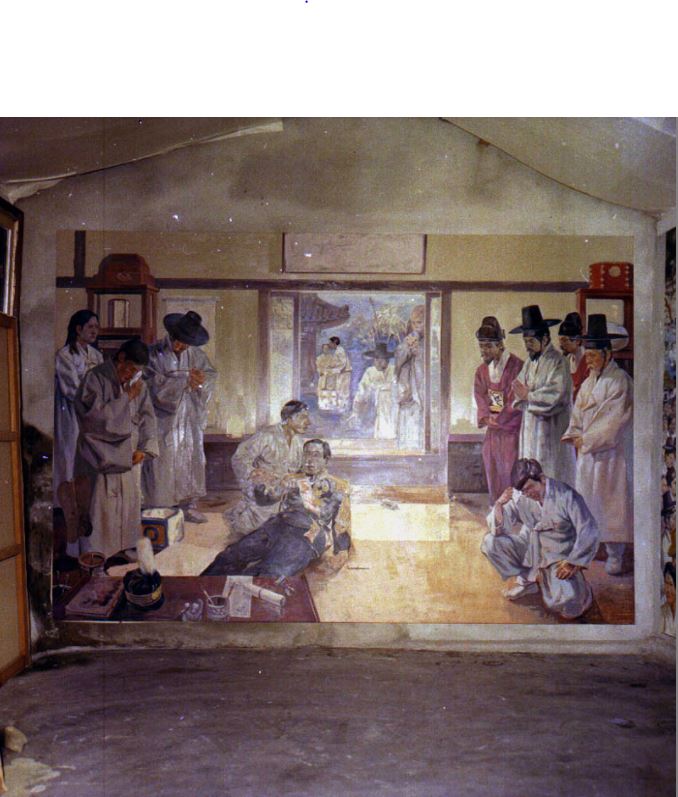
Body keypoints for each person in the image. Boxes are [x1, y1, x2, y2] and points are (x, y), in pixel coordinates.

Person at [202, 439, 351, 578]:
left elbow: (341, 522)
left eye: (316, 455)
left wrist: (342, 550)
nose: (310, 460)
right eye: (306, 454)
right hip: (277, 526)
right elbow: (266, 500)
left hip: (308, 534)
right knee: (229, 556)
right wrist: (260, 485)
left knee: (270, 572)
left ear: (326, 459)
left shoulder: (338, 486)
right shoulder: (291, 478)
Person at [481, 458, 599, 620]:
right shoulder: (522, 496)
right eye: (523, 491)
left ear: (542, 479)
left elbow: (588, 529)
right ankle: (526, 581)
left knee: (568, 604)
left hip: (558, 556)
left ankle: (580, 590)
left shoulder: (566, 495)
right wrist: (499, 504)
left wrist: (573, 562)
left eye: (529, 488)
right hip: (530, 549)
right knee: (490, 543)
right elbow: (500, 528)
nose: (527, 494)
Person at [561, 314, 634, 575]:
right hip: (587, 454)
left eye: (593, 356)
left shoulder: (620, 381)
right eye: (587, 355)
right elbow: (577, 413)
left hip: (611, 454)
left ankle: (615, 554)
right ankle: (590, 548)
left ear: (607, 354)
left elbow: (614, 421)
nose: (588, 360)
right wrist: (574, 433)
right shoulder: (588, 383)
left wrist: (587, 439)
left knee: (612, 502)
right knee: (588, 502)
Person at [74, 338, 159, 559]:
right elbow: (94, 420)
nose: (131, 375)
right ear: (120, 358)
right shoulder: (95, 378)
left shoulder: (139, 384)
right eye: (129, 369)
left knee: (128, 505)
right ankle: (95, 557)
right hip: (99, 455)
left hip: (129, 456)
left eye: (136, 371)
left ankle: (126, 546)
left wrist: (144, 449)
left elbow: (149, 418)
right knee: (100, 509)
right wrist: (126, 398)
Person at [142, 311, 216, 523]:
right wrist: (183, 382)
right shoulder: (153, 354)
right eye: (179, 341)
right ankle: (160, 508)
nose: (181, 346)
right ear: (171, 335)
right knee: (163, 462)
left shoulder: (196, 355)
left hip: (189, 415)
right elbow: (150, 383)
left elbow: (210, 377)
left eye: (186, 343)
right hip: (163, 418)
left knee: (189, 458)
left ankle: (188, 506)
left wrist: (201, 381)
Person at [54, 309, 104, 558]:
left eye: (96, 327)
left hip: (92, 420)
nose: (94, 331)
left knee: (89, 480)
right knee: (71, 475)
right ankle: (72, 545)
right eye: (90, 327)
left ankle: (90, 541)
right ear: (78, 329)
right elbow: (72, 390)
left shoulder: (96, 355)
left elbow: (104, 385)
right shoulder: (64, 356)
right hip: (72, 421)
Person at [225, 400, 311, 539]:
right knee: (258, 534)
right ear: (288, 419)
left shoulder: (298, 442)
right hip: (264, 494)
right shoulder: (266, 435)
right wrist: (253, 472)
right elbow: (239, 458)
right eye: (303, 417)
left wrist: (296, 478)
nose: (308, 422)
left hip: (286, 494)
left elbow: (301, 470)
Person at [510, 305, 575, 487]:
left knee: (550, 473)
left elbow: (557, 395)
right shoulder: (530, 363)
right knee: (530, 475)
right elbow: (518, 388)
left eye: (531, 341)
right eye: (525, 341)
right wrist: (524, 395)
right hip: (531, 428)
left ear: (545, 338)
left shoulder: (558, 362)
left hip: (551, 430)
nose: (527, 346)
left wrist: (528, 396)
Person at [473, 316, 524, 503]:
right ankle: (496, 508)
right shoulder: (482, 371)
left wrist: (500, 418)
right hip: (492, 431)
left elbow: (515, 400)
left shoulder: (517, 366)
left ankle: (512, 509)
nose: (483, 351)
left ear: (500, 345)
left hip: (511, 431)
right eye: (481, 346)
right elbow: (480, 395)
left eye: (488, 346)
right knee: (492, 468)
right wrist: (486, 417)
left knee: (508, 471)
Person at [349, 343, 396, 439]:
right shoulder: (370, 372)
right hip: (374, 410)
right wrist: (355, 411)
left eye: (381, 359)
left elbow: (398, 387)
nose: (378, 362)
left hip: (392, 410)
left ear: (387, 360)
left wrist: (382, 388)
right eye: (376, 359)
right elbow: (361, 391)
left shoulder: (394, 370)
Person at [395, 305, 426, 449]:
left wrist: (419, 353)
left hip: (422, 389)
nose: (416, 326)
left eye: (419, 322)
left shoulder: (431, 340)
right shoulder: (410, 339)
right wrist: (407, 348)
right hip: (409, 389)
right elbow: (399, 359)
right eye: (413, 323)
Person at [557, 312, 589, 401]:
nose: (561, 345)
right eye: (560, 341)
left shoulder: (588, 360)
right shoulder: (567, 360)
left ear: (577, 340)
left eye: (564, 340)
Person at [326, 336, 352, 413]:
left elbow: (343, 363)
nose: (329, 344)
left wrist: (334, 370)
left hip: (344, 373)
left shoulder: (340, 351)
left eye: (330, 342)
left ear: (334, 343)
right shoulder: (337, 350)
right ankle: (340, 406)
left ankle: (343, 407)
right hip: (342, 372)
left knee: (343, 390)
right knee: (339, 389)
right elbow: (337, 362)